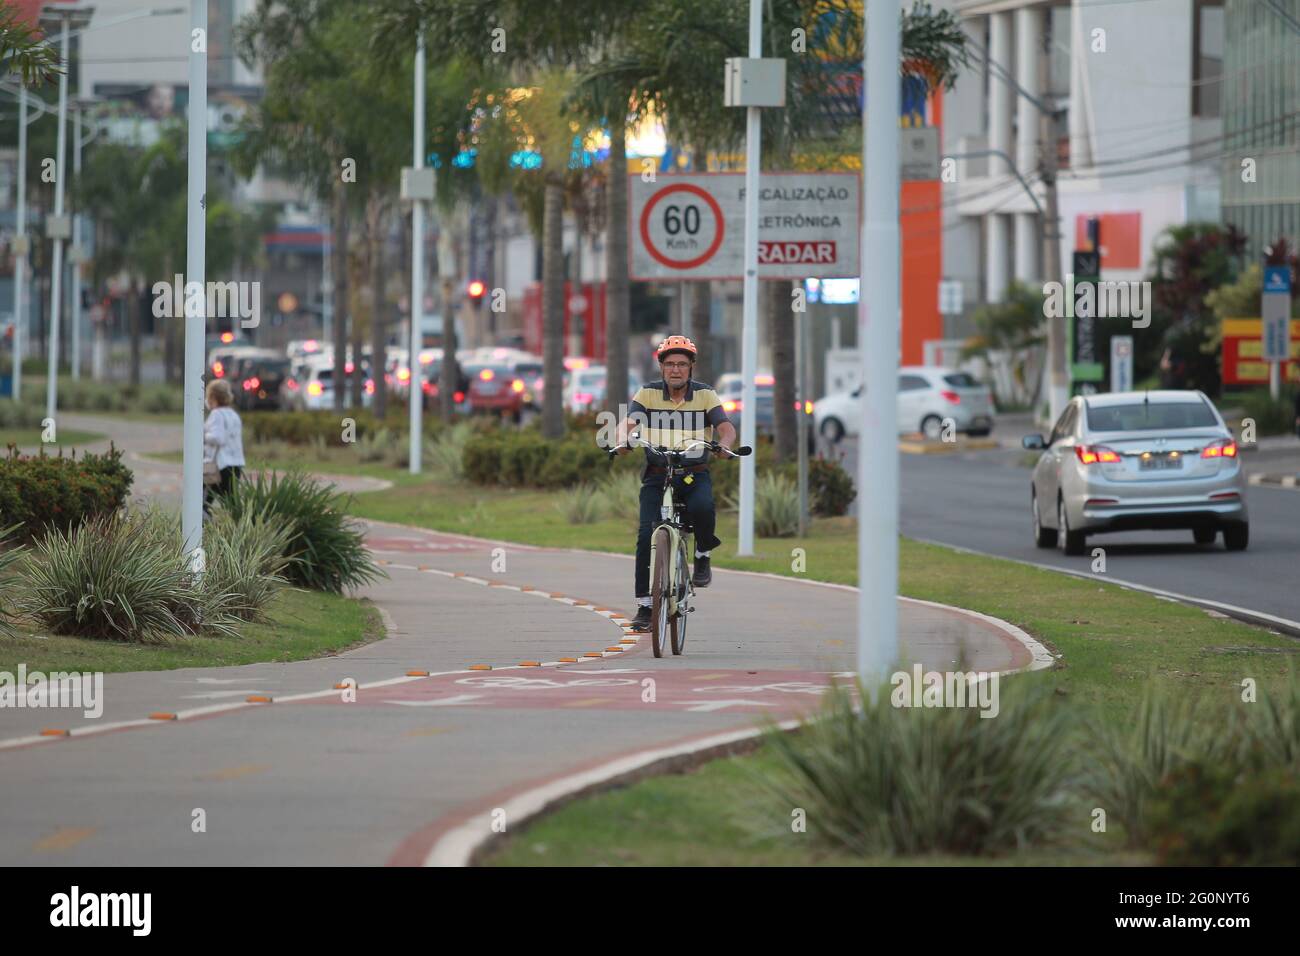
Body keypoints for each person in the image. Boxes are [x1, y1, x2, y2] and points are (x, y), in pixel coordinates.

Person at [613, 335, 737, 632]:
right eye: (670, 364)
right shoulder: (648, 394)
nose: (676, 370)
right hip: (657, 475)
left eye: (682, 364)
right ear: (661, 367)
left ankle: (703, 555)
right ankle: (645, 606)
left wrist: (724, 445)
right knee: (646, 535)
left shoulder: (706, 395)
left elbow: (726, 427)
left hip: (694, 473)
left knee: (703, 507)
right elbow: (628, 423)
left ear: (691, 367)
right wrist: (621, 441)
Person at [203, 378, 245, 514]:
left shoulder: (216, 414)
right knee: (231, 501)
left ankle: (201, 526)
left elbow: (218, 438)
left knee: (203, 499)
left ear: (213, 397)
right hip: (236, 464)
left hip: (219, 466)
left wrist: (202, 437)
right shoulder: (233, 415)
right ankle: (236, 527)